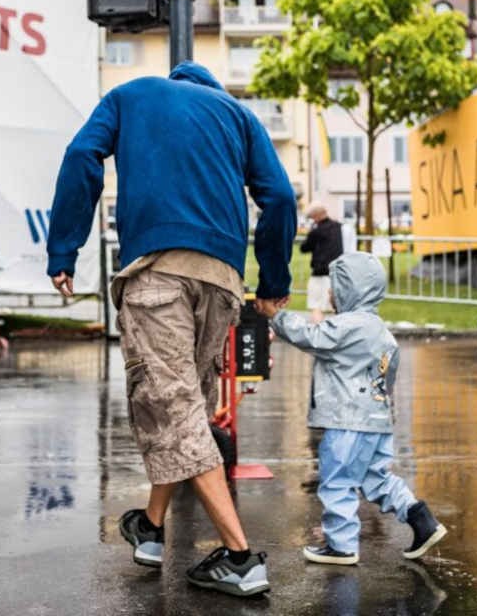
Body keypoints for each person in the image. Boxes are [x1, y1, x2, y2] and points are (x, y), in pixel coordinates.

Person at [46, 61, 297, 597]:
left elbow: (81, 157)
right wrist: (273, 280)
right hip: (224, 278)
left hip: (159, 268)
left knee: (172, 404)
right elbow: (278, 197)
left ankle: (239, 558)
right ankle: (151, 526)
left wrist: (64, 246)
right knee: (185, 403)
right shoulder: (238, 114)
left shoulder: (131, 95)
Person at [255, 252, 446, 566]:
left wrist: (276, 315)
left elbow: (313, 337)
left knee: (337, 480)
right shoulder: (377, 329)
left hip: (348, 422)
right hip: (376, 421)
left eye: (335, 287)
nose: (330, 294)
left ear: (351, 289)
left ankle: (341, 545)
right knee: (376, 479)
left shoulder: (349, 325)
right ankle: (422, 521)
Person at [300, 204, 343, 323]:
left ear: (315, 215)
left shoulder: (316, 231)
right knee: (338, 307)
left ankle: (319, 334)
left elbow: (304, 248)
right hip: (338, 272)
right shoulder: (339, 227)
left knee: (316, 306)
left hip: (320, 272)